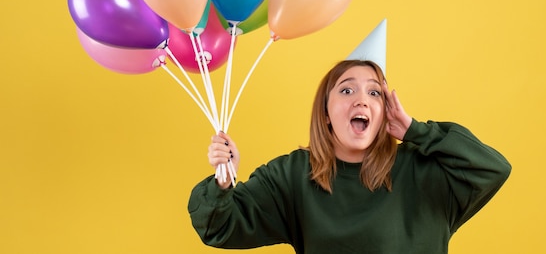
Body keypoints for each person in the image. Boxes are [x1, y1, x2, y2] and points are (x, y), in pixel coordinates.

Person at [188, 59, 511, 254]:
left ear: (385, 110)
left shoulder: (423, 170)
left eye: (374, 92)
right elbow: (220, 227)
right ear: (326, 112)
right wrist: (224, 181)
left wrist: (417, 132)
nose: (361, 100)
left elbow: (492, 168)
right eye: (346, 90)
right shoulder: (294, 175)